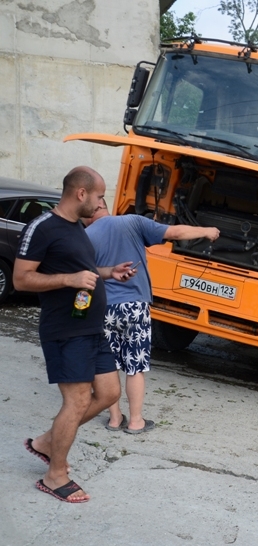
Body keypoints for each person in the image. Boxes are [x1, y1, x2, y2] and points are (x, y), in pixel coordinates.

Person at [14, 166, 136, 503]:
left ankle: (46, 442)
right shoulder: (43, 227)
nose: (100, 204)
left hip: (91, 327)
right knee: (78, 399)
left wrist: (109, 272)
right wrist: (70, 281)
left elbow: (81, 269)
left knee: (109, 393)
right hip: (65, 330)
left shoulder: (76, 228)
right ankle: (56, 475)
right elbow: (21, 279)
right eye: (98, 197)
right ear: (80, 193)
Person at [84, 201, 220, 434]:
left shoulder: (85, 235)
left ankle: (115, 419)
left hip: (104, 309)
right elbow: (175, 232)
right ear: (104, 205)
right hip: (135, 307)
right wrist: (206, 231)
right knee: (134, 366)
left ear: (93, 209)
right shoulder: (132, 221)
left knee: (108, 365)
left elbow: (82, 276)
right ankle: (136, 421)